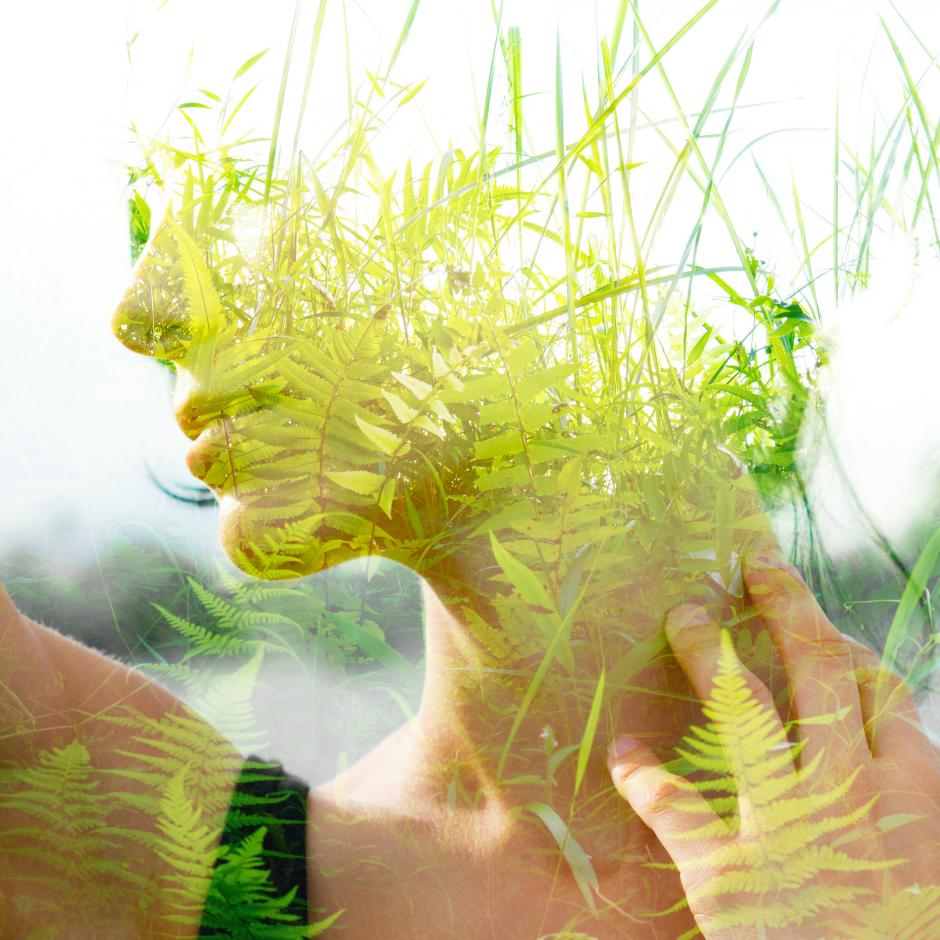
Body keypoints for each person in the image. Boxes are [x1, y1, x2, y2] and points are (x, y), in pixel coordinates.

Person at [2, 150, 939, 938]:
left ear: (575, 198)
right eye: (146, 219)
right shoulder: (196, 872)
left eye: (244, 181)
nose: (144, 313)